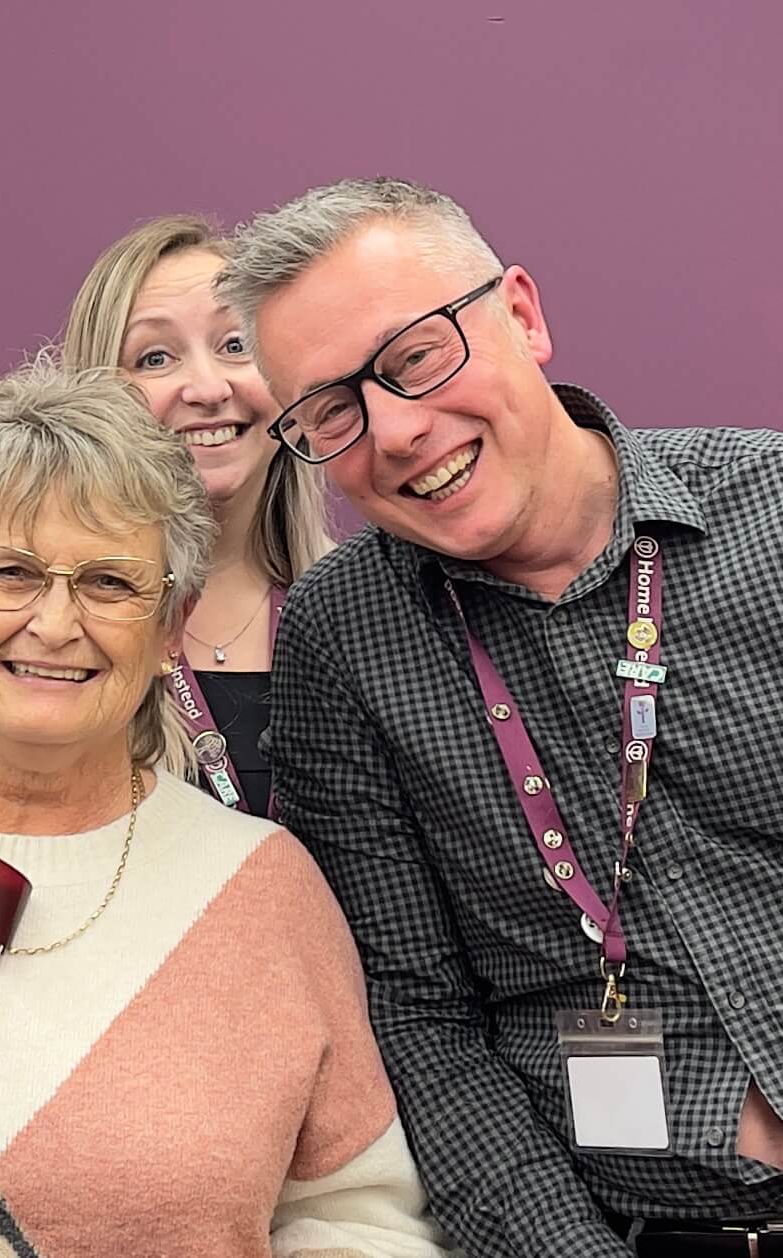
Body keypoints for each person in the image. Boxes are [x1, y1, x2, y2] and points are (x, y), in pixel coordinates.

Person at [217, 176, 783, 1256]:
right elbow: (415, 1014)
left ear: (520, 312)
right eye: (333, 411)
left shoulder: (770, 513)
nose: (394, 431)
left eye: (417, 355)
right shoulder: (342, 640)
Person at [0, 357, 449, 1257]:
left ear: (170, 625)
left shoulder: (260, 888)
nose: (56, 625)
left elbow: (360, 1213)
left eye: (109, 583)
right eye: (12, 573)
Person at [0, 216, 331, 813]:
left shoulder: (356, 616)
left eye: (235, 345)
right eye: (156, 357)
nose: (208, 387)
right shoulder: (0, 618)